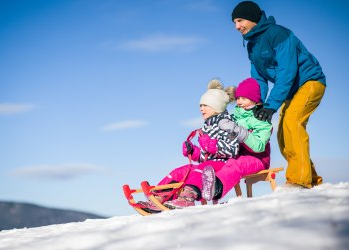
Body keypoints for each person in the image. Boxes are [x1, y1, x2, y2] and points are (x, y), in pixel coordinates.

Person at [231, 1, 326, 188]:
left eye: (240, 20)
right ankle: (311, 179)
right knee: (283, 133)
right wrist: (257, 103)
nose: (237, 26)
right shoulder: (252, 45)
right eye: (234, 22)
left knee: (292, 122)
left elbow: (287, 71)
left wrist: (271, 105)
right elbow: (258, 77)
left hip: (309, 82)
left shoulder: (279, 34)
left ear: (252, 18)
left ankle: (299, 180)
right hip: (290, 90)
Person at [138, 79, 239, 212]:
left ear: (216, 106)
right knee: (182, 170)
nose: (201, 108)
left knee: (199, 170)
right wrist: (193, 151)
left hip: (224, 164)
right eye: (200, 105)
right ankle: (159, 196)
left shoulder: (227, 124)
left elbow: (233, 150)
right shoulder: (208, 126)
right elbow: (205, 156)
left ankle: (187, 198)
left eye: (205, 105)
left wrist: (211, 145)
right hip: (210, 163)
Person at [201, 77, 272, 201]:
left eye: (243, 98)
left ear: (255, 100)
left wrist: (238, 131)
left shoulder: (261, 120)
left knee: (235, 164)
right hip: (237, 156)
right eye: (238, 98)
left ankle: (216, 188)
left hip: (258, 160)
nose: (239, 102)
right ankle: (204, 186)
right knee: (222, 163)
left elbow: (259, 146)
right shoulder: (234, 117)